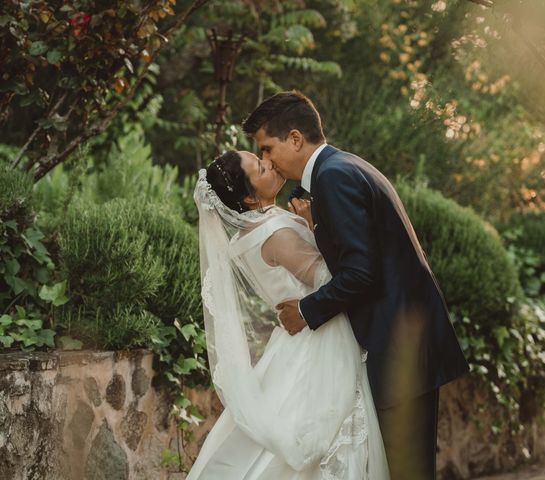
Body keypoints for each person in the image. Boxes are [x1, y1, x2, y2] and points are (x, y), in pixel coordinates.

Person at [242, 91, 470, 479]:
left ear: (295, 138)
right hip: (404, 342)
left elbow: (362, 273)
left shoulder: (332, 177)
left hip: (399, 347)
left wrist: (306, 310)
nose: (267, 160)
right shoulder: (342, 167)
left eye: (268, 148)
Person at [187, 150, 390, 479]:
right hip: (322, 334)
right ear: (248, 197)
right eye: (260, 167)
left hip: (295, 338)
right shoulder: (277, 233)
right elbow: (328, 278)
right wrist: (315, 226)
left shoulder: (244, 239)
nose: (269, 163)